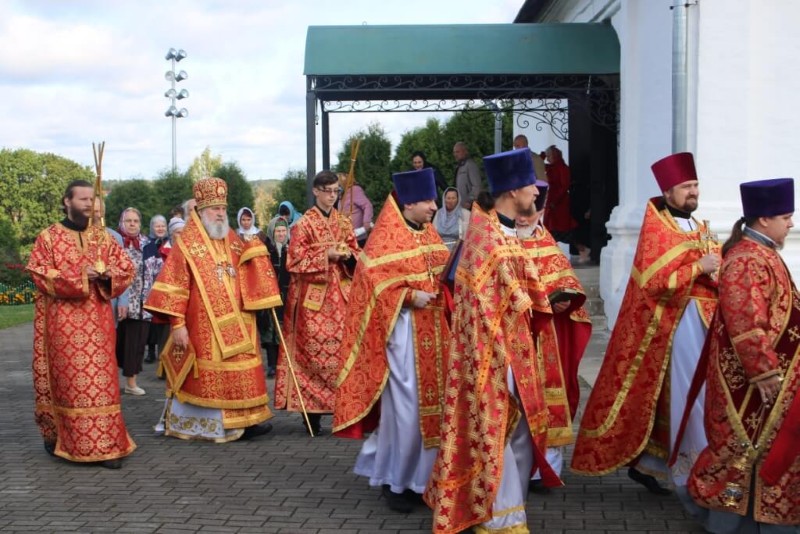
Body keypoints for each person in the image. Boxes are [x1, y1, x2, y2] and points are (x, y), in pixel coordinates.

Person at [425, 148, 560, 533]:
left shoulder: (504, 230)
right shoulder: (485, 236)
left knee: (517, 431)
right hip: (494, 355)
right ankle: (501, 519)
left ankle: (503, 508)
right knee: (496, 432)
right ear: (514, 189)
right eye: (531, 187)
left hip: (515, 350)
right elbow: (480, 307)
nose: (536, 193)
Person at [571, 152, 720, 497]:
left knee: (682, 396)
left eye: (695, 184)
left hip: (700, 325)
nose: (693, 191)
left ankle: (650, 465)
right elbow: (654, 281)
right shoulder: (658, 228)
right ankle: (691, 470)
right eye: (686, 186)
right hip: (674, 325)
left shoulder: (700, 227)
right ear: (668, 191)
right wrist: (701, 268)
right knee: (685, 396)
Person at [334, 167, 451, 513]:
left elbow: (442, 273)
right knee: (406, 414)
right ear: (410, 202)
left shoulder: (428, 234)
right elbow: (371, 290)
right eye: (428, 200)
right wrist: (408, 297)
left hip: (437, 339)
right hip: (402, 341)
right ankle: (396, 482)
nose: (434, 207)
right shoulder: (385, 239)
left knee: (437, 411)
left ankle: (426, 480)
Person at [684, 178, 798, 533]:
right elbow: (746, 322)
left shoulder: (761, 254)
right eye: (785, 217)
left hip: (764, 379)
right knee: (742, 449)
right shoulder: (747, 259)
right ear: (764, 220)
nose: (791, 223)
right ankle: (728, 524)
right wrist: (765, 374)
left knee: (762, 449)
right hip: (750, 385)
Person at [144, 177, 282, 442]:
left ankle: (248, 419)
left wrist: (256, 251)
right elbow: (174, 286)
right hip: (201, 326)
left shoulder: (232, 239)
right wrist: (178, 326)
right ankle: (214, 423)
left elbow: (248, 271)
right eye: (214, 208)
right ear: (200, 211)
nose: (220, 213)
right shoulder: (186, 244)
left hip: (240, 322)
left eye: (222, 208)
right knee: (212, 373)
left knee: (243, 367)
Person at [27, 180, 136, 468]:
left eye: (92, 199)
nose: (89, 204)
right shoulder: (48, 237)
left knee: (103, 385)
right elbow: (38, 273)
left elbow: (127, 269)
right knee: (71, 386)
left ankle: (107, 445)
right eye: (83, 199)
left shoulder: (103, 238)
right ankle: (65, 439)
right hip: (62, 326)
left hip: (98, 325)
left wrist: (105, 274)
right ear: (67, 202)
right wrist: (79, 275)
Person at [516, 180, 593, 488]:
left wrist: (565, 302)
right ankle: (517, 467)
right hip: (516, 337)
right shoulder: (502, 241)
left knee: (550, 403)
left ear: (542, 210)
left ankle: (545, 469)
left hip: (548, 339)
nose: (523, 219)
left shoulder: (549, 244)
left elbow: (571, 286)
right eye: (521, 213)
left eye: (530, 213)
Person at [274, 170, 359, 435]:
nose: (332, 196)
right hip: (314, 301)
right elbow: (294, 261)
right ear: (316, 191)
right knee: (312, 354)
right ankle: (311, 412)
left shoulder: (344, 223)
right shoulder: (302, 225)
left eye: (336, 191)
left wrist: (349, 256)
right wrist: (327, 255)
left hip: (342, 298)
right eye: (328, 191)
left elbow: (356, 250)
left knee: (344, 353)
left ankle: (344, 409)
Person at [115, 207, 150, 396]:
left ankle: (131, 382)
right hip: (118, 301)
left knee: (136, 344)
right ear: (121, 222)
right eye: (128, 220)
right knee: (116, 343)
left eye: (135, 221)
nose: (132, 224)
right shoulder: (114, 242)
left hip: (142, 303)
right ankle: (110, 382)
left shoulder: (146, 243)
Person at [259, 218, 291, 378]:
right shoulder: (266, 250)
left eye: (283, 231)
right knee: (270, 331)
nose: (281, 234)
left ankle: (281, 364)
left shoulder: (291, 249)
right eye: (278, 231)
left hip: (286, 296)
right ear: (272, 232)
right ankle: (271, 365)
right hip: (269, 295)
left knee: (283, 329)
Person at [143, 215, 169, 364]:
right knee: (152, 321)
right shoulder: (148, 244)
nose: (160, 229)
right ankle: (151, 350)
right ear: (152, 228)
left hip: (165, 286)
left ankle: (163, 352)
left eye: (162, 226)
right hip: (151, 286)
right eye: (157, 226)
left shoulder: (169, 243)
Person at [337, 172, 374, 248]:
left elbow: (367, 205)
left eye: (338, 182)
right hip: (346, 238)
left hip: (358, 237)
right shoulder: (342, 194)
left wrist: (366, 222)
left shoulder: (354, 190)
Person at [431, 187, 470, 251]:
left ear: (458, 199)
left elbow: (468, 236)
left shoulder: (465, 214)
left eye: (453, 198)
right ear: (444, 199)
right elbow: (433, 233)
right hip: (440, 251)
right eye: (448, 198)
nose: (450, 201)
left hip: (458, 251)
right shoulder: (439, 213)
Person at [452, 141, 482, 210]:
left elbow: (477, 185)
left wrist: (470, 201)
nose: (455, 154)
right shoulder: (459, 167)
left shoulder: (471, 165)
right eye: (454, 152)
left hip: (470, 206)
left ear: (465, 151)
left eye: (457, 152)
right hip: (462, 206)